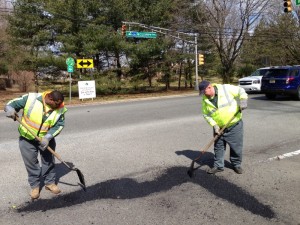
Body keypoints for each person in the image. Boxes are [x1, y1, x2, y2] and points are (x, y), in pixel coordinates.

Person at [4, 90, 67, 199]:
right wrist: (9, 109)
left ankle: (50, 183)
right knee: (31, 163)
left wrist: (48, 137)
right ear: (49, 99)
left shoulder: (60, 108)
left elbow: (59, 125)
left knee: (48, 161)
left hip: (46, 139)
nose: (58, 107)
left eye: (59, 105)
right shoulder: (31, 98)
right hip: (27, 138)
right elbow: (11, 104)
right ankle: (35, 186)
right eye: (55, 105)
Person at [198, 80, 248, 174]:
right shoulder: (205, 100)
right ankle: (218, 166)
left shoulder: (225, 88)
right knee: (218, 147)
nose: (204, 94)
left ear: (210, 87)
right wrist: (215, 125)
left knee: (235, 147)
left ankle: (236, 164)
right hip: (219, 128)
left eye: (204, 91)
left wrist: (243, 100)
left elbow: (240, 91)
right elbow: (206, 115)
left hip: (234, 124)